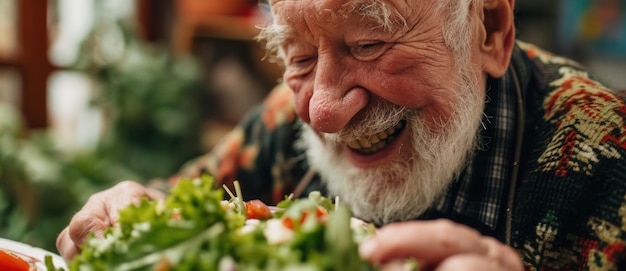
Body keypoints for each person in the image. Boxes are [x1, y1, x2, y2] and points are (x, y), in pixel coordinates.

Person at [57, 0, 626, 270]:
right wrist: (134, 220)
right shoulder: (285, 121)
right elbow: (181, 202)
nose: (323, 112)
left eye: (370, 45)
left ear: (490, 32)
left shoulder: (605, 155)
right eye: (298, 54)